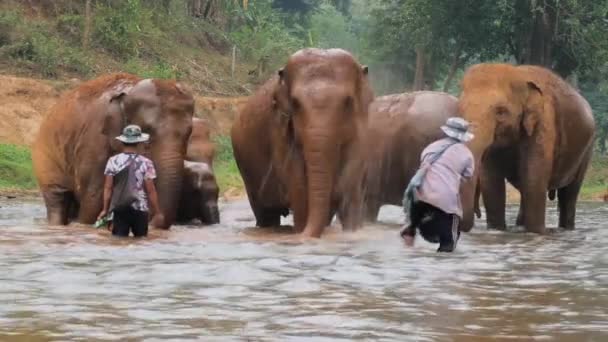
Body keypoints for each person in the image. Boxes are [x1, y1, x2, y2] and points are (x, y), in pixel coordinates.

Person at [400, 117, 475, 252]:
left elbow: (424, 164)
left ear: (447, 131)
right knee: (450, 242)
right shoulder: (466, 154)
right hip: (445, 202)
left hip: (420, 197)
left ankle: (409, 237)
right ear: (464, 136)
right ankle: (443, 263)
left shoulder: (432, 147)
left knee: (412, 224)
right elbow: (467, 176)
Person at [97, 125, 162, 238]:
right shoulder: (146, 162)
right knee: (141, 242)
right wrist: (157, 212)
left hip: (120, 208)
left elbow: (108, 188)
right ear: (139, 143)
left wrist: (105, 209)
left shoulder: (113, 161)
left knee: (119, 242)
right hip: (140, 208)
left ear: (122, 142)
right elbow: (151, 190)